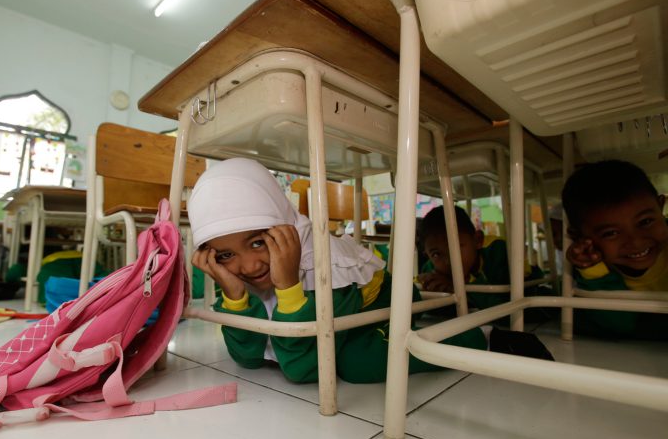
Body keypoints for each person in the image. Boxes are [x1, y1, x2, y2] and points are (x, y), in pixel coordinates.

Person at [188, 158, 489, 384]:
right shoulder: (243, 273)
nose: (250, 266)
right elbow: (247, 359)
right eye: (226, 254)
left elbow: (303, 370)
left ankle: (472, 338)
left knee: (352, 363)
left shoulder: (325, 265)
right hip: (340, 312)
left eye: (257, 242)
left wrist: (290, 288)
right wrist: (235, 296)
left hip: (383, 297)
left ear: (283, 221)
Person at [562, 159, 668, 339]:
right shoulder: (594, 267)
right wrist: (592, 271)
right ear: (579, 236)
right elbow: (621, 324)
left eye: (646, 222)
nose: (635, 241)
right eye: (611, 233)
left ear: (661, 206)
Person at [417, 205, 550, 313]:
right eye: (436, 254)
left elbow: (513, 311)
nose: (448, 261)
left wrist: (460, 285)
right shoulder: (431, 269)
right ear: (427, 254)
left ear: (477, 240)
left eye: (456, 248)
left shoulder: (500, 254)